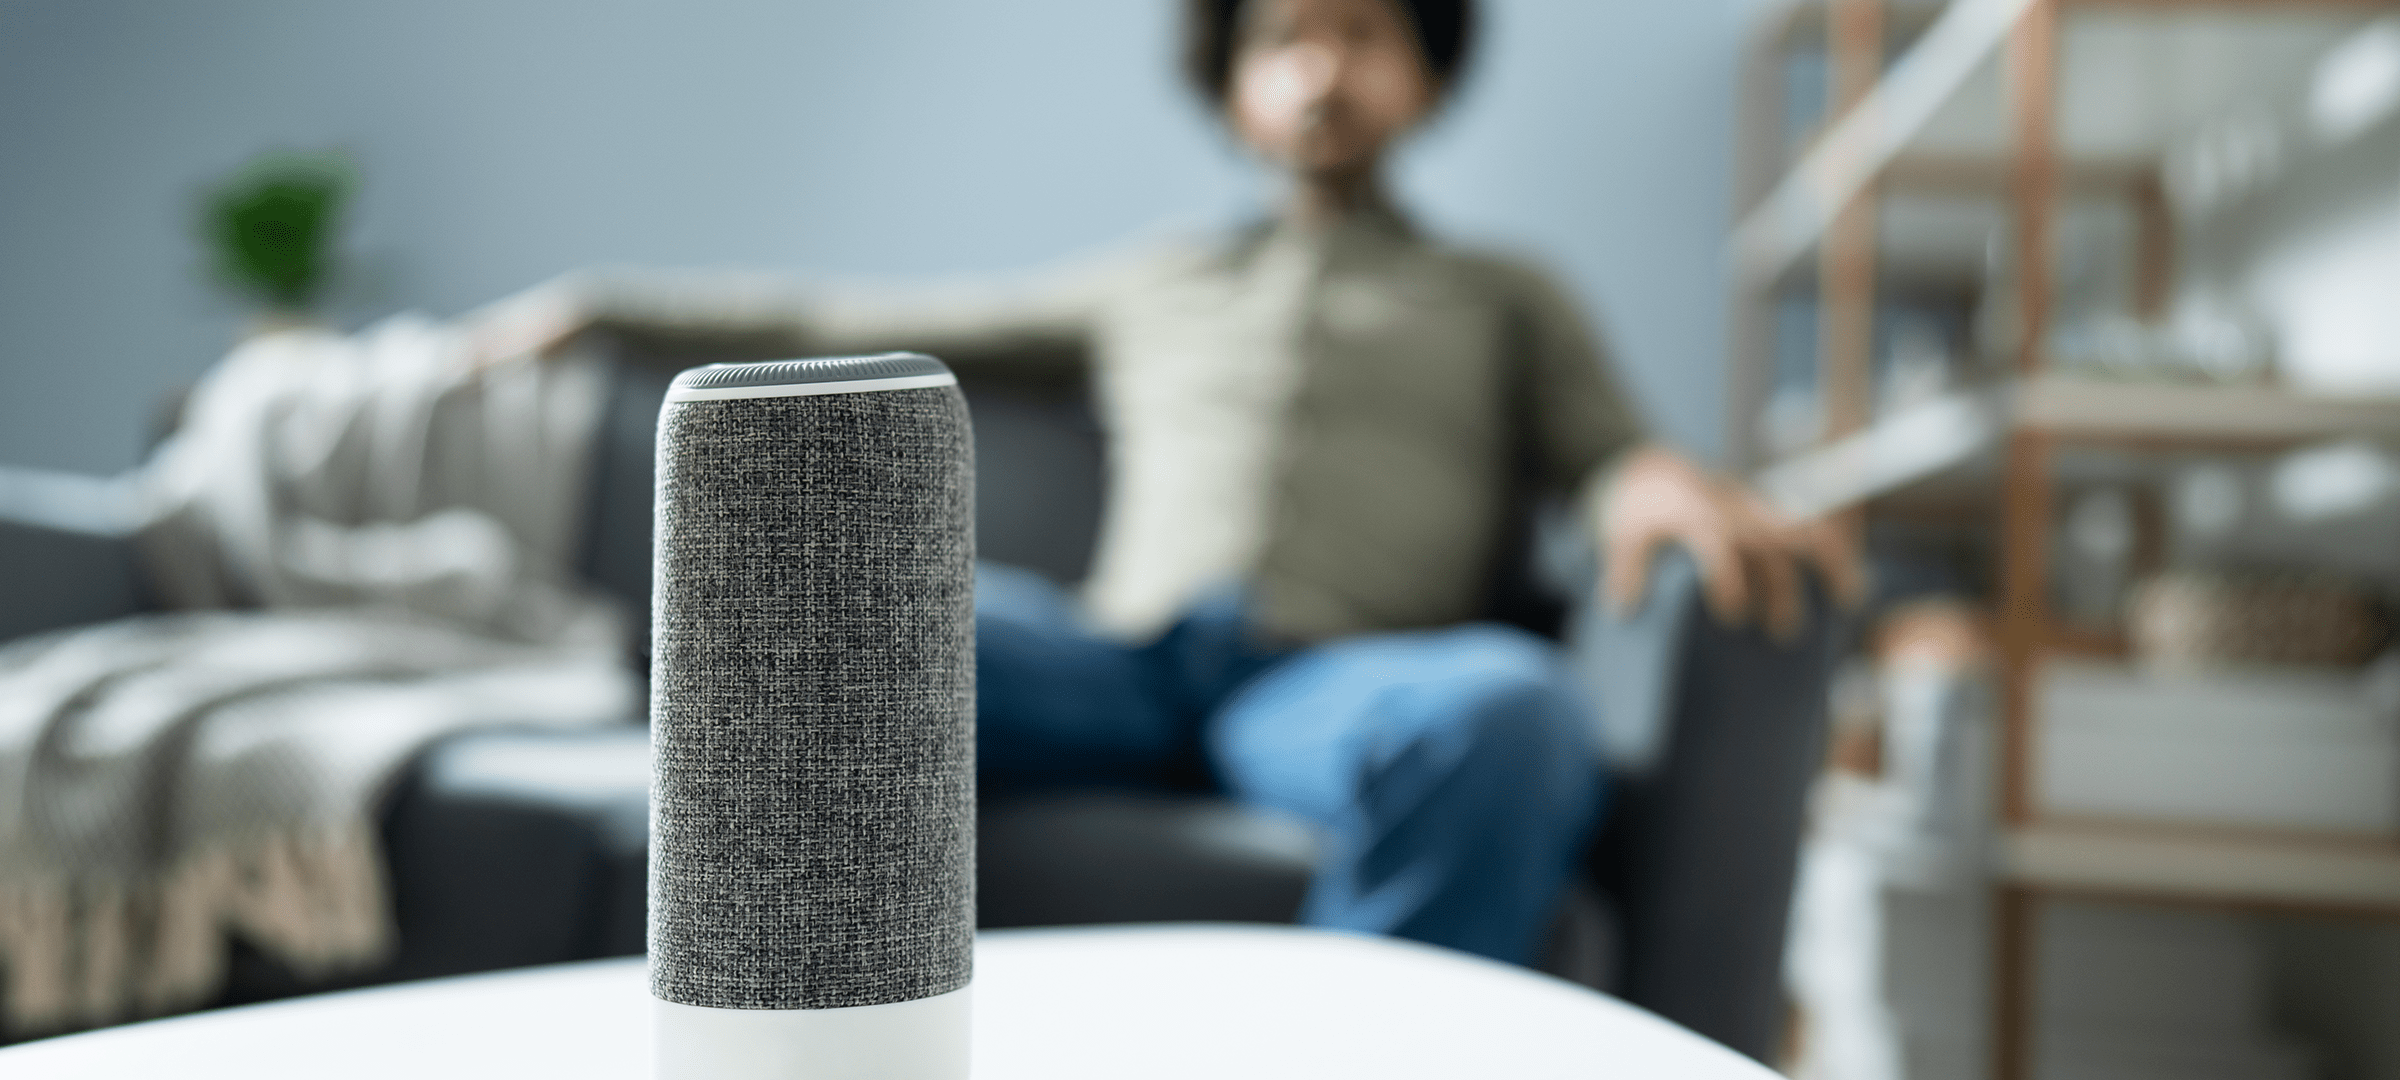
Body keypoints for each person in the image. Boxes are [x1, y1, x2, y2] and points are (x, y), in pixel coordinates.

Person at [473, 0, 1859, 968]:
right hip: (1116, 662)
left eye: (1362, 31)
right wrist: (607, 308)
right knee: (819, 618)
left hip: (1333, 689)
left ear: (1425, 77)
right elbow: (863, 315)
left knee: (1507, 712)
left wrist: (1656, 489)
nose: (1320, 65)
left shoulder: (1501, 295)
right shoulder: (1153, 281)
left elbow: (1612, 454)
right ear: (1232, 86)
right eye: (1281, 36)